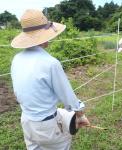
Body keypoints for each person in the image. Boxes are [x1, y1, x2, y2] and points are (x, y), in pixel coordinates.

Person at [10, 9, 90, 150]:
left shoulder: (16, 59)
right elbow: (68, 98)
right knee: (62, 145)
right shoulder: (50, 63)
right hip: (46, 126)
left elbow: (18, 93)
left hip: (26, 120)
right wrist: (80, 114)